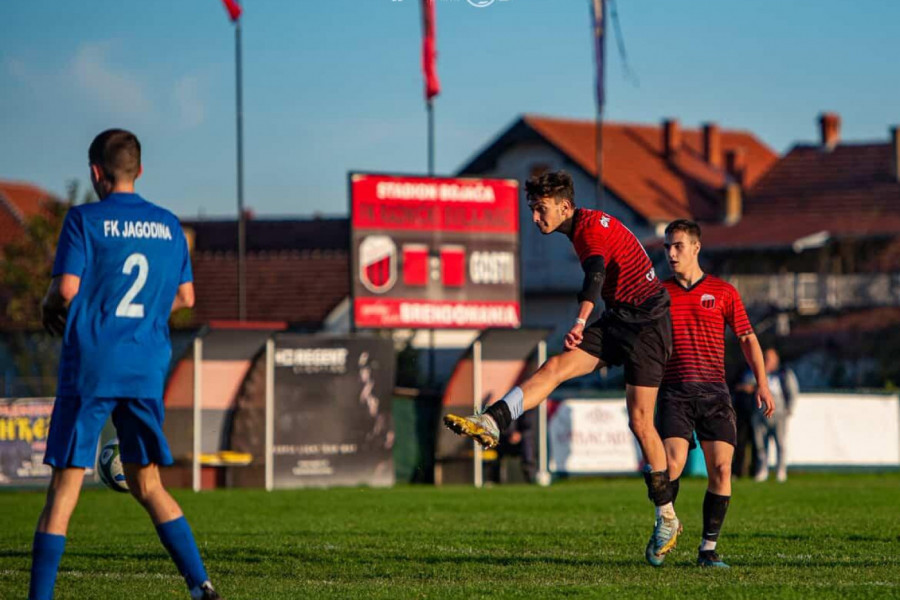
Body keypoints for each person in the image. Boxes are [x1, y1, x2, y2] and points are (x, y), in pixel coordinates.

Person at [444, 170, 681, 565]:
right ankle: (493, 420)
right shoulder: (582, 226)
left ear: (565, 206)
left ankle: (667, 516)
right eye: (533, 210)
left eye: (540, 210)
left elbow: (595, 276)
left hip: (648, 324)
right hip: (620, 317)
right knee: (555, 366)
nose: (536, 218)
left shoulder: (588, 230)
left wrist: (579, 320)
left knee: (640, 422)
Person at [29, 130, 222, 600]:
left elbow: (67, 290)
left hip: (93, 364)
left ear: (96, 172)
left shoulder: (83, 220)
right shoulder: (169, 226)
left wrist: (47, 305)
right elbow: (185, 297)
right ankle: (202, 586)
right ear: (139, 171)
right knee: (148, 482)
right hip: (146, 366)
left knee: (65, 488)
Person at [657, 219, 774, 568]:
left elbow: (747, 338)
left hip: (714, 393)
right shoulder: (658, 293)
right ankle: (664, 525)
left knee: (722, 470)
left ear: (696, 248)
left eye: (678, 245)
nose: (671, 253)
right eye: (667, 246)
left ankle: (707, 550)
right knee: (672, 464)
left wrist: (763, 383)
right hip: (674, 391)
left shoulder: (723, 292)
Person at [743, 347, 798, 482]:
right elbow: (746, 384)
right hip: (759, 413)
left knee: (780, 442)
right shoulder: (756, 372)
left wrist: (789, 409)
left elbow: (792, 391)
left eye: (769, 358)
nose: (766, 361)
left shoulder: (783, 373)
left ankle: (781, 470)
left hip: (778, 414)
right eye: (765, 358)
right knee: (760, 444)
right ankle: (762, 469)